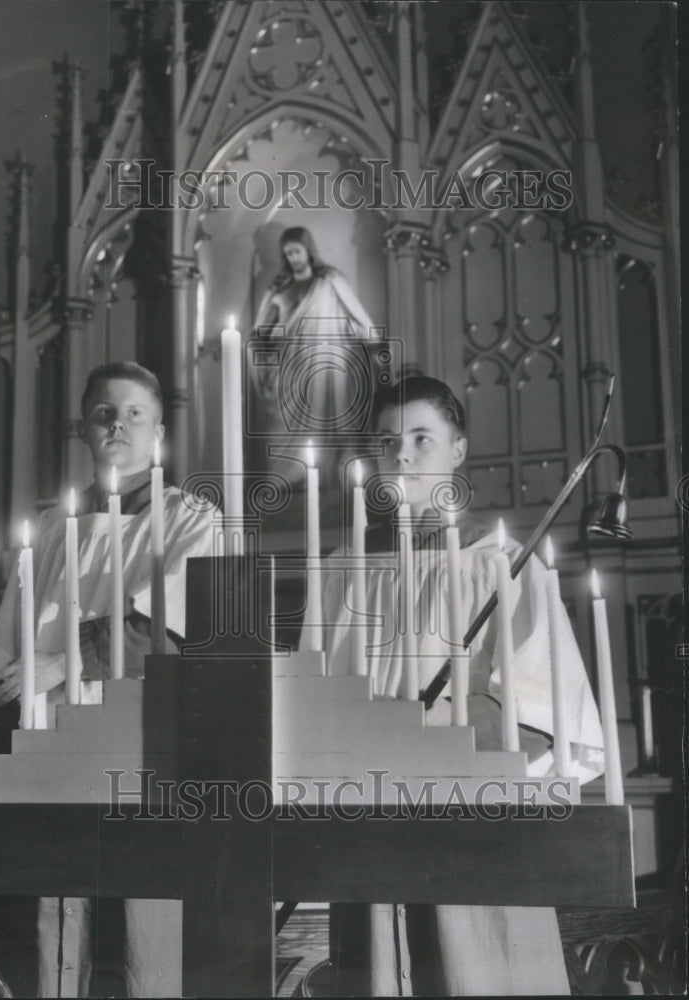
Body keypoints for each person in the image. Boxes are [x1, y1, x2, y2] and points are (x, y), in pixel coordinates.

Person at [321, 375, 605, 996]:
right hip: (365, 818)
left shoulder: (497, 560)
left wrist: (441, 750)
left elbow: (537, 709)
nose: (403, 454)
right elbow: (317, 698)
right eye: (389, 440)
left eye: (422, 438)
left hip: (469, 816)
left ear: (457, 450)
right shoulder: (345, 566)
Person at [0, 361, 217, 998]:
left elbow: (168, 626)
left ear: (160, 435)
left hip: (146, 745)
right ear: (83, 431)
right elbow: (10, 649)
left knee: (150, 919)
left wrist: (65, 660)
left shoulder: (191, 518)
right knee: (61, 920)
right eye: (104, 413)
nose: (118, 423)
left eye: (134, 413)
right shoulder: (51, 530)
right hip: (57, 745)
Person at [250, 226, 379, 485]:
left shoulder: (329, 282)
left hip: (325, 367)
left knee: (326, 421)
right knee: (282, 422)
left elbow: (362, 321)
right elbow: (260, 331)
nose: (293, 258)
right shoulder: (279, 289)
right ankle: (285, 481)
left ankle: (326, 476)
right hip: (290, 367)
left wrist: (369, 345)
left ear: (309, 251)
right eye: (287, 254)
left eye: (297, 251)